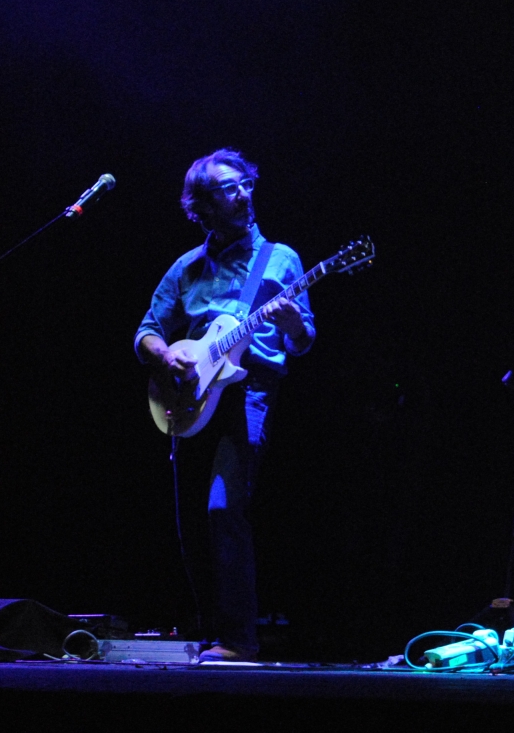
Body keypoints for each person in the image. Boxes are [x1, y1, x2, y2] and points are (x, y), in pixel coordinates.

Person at [135, 149, 315, 662]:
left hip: (248, 391)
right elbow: (147, 330)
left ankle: (239, 639)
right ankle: (204, 628)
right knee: (188, 519)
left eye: (246, 184)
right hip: (190, 396)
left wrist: (290, 323)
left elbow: (303, 342)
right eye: (229, 189)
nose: (244, 194)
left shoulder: (279, 260)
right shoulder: (186, 268)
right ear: (203, 206)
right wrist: (165, 354)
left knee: (223, 507)